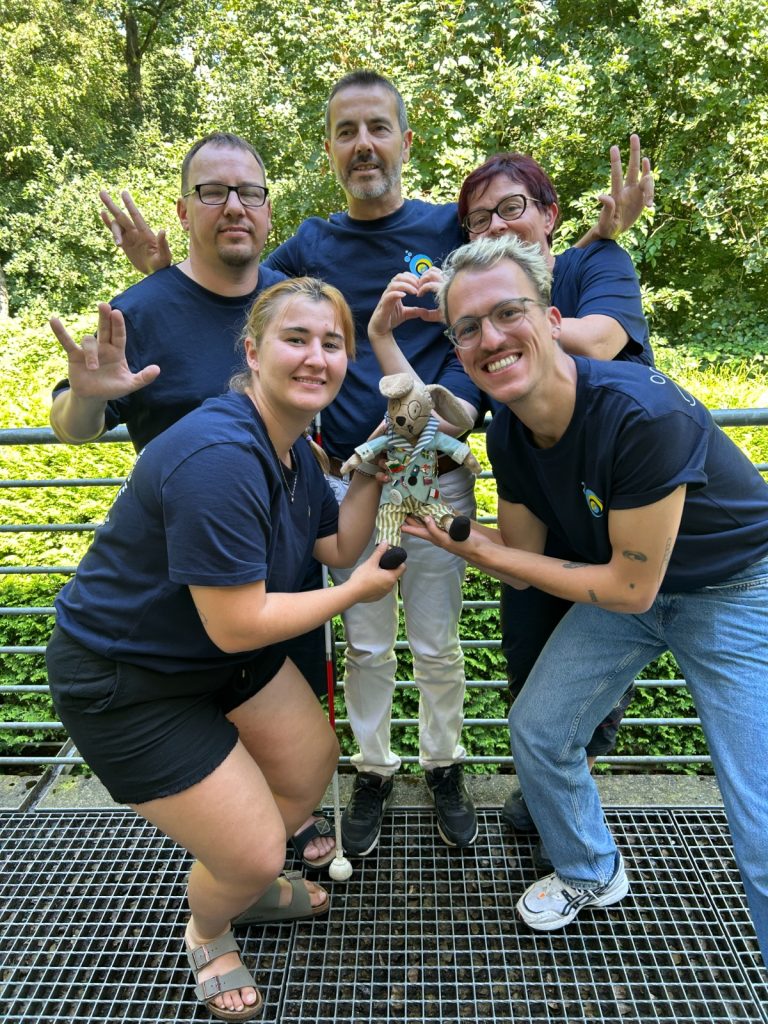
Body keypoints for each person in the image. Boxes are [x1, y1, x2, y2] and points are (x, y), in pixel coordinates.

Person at [95, 71, 653, 858]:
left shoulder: (447, 230)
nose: (364, 145)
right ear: (329, 148)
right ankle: (372, 767)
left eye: (378, 128)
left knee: (437, 640)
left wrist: (601, 239)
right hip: (351, 481)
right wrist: (164, 266)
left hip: (440, 469)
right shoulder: (311, 243)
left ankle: (445, 763)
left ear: (403, 140)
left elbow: (524, 273)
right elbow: (234, 282)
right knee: (361, 639)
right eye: (347, 132)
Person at [45, 277, 406, 1020]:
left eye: (331, 343)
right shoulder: (218, 453)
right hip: (124, 679)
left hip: (207, 656)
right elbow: (240, 623)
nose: (317, 356)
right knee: (247, 851)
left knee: (308, 769)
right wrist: (357, 591)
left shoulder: (291, 448)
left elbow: (335, 541)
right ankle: (210, 926)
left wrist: (369, 469)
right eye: (295, 339)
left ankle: (244, 882)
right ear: (252, 351)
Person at [403, 233, 768, 966]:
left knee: (762, 822)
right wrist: (457, 528)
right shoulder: (507, 433)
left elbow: (630, 590)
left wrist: (482, 549)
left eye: (508, 313)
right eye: (467, 328)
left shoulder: (640, 415)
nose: (490, 338)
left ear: (551, 318)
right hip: (626, 585)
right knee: (538, 728)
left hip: (735, 589)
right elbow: (523, 568)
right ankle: (590, 870)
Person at [48, 132, 335, 871]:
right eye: (213, 191)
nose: (234, 205)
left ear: (270, 210)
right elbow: (73, 428)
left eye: (250, 192)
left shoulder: (288, 308)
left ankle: (263, 848)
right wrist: (85, 398)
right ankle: (236, 863)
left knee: (298, 751)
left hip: (283, 579)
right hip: (175, 595)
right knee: (212, 777)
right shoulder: (141, 310)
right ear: (184, 209)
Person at [456, 151, 653, 854]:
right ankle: (546, 780)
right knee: (529, 663)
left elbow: (601, 339)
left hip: (621, 512)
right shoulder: (473, 301)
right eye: (478, 221)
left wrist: (506, 320)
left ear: (549, 214)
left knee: (593, 683)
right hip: (535, 497)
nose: (496, 227)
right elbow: (463, 403)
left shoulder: (594, 265)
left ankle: (565, 802)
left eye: (512, 207)